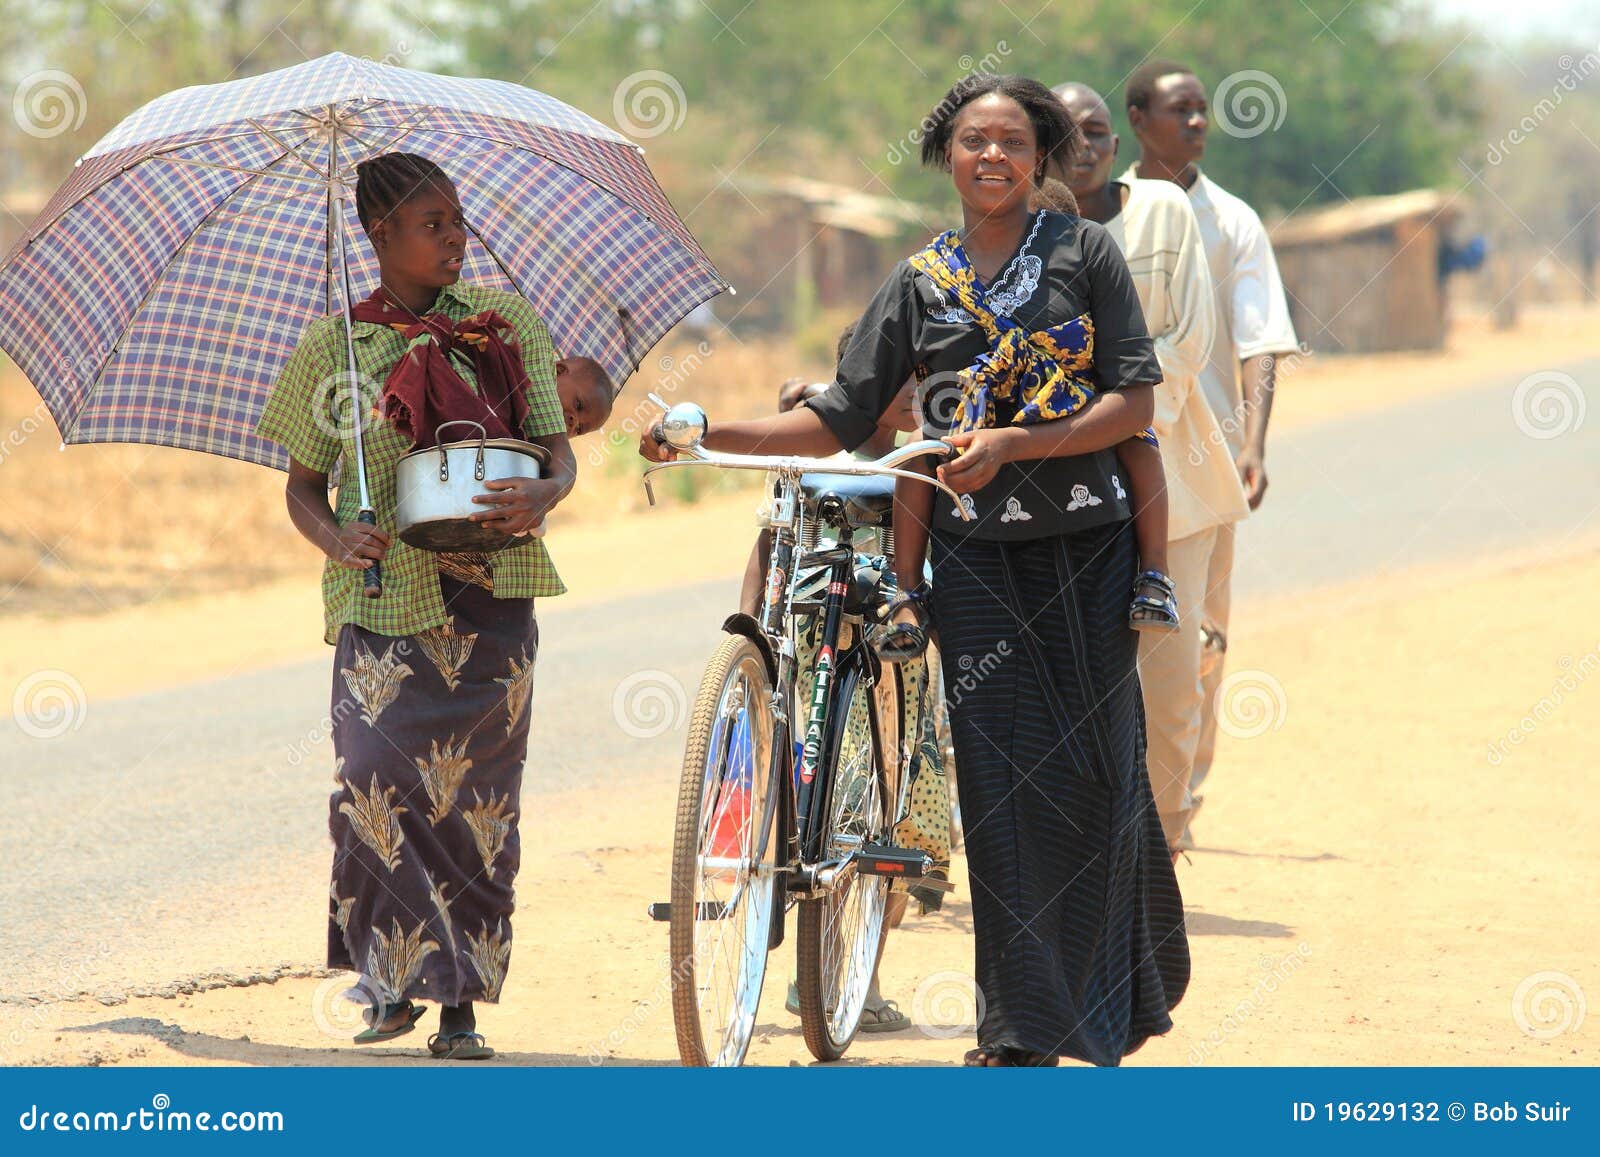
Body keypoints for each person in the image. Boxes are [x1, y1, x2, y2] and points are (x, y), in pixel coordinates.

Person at [642, 74, 1188, 1067]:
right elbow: (840, 417)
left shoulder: (1086, 253)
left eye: (1011, 142)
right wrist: (702, 429)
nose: (991, 156)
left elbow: (1134, 405)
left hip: (1090, 553)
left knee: (1095, 773)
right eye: (973, 140)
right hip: (974, 566)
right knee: (997, 789)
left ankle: (1111, 997)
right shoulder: (916, 281)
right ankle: (1017, 1030)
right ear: (945, 155)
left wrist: (1012, 445)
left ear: (1040, 156)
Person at [257, 151, 577, 1061]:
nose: (452, 237)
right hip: (383, 592)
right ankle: (390, 974)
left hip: (495, 593)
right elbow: (301, 488)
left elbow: (559, 454)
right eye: (430, 222)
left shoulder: (503, 324)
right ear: (378, 234)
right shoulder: (337, 347)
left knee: (476, 801)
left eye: (456, 219)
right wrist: (336, 538)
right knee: (371, 780)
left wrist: (543, 496)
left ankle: (459, 1007)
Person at [1051, 81, 1248, 861]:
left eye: (1097, 131)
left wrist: (1103, 408)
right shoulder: (1023, 232)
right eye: (1066, 133)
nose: (1086, 146)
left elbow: (1189, 341)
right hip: (1053, 481)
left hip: (1176, 481)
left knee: (1170, 689)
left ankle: (1159, 845)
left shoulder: (1163, 213)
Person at [1122, 61, 1300, 849]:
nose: (1196, 123)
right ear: (1137, 119)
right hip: (1108, 448)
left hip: (1205, 458)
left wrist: (1253, 444)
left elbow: (1260, 340)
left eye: (1202, 111)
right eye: (1179, 110)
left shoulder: (1232, 222)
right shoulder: (1103, 214)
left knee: (1199, 634)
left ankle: (1177, 799)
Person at [554, 355, 615, 438]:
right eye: (578, 405)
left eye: (579, 429)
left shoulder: (538, 446)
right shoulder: (530, 377)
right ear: (558, 371)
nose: (574, 422)